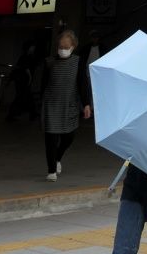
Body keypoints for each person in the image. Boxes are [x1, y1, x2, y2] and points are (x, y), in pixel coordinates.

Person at [42, 29, 93, 181]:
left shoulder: (78, 62)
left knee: (69, 137)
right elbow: (43, 84)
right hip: (51, 104)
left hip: (69, 105)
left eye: (66, 47)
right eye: (60, 46)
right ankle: (51, 170)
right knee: (51, 138)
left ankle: (58, 157)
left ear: (73, 47)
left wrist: (86, 104)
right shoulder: (50, 62)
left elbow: (82, 84)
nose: (62, 50)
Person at [7, 42, 39, 121]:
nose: (33, 49)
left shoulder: (27, 56)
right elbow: (26, 69)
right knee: (22, 97)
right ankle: (11, 115)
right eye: (32, 47)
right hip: (22, 80)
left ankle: (32, 113)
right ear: (28, 48)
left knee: (26, 97)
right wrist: (30, 79)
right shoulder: (25, 57)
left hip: (22, 80)